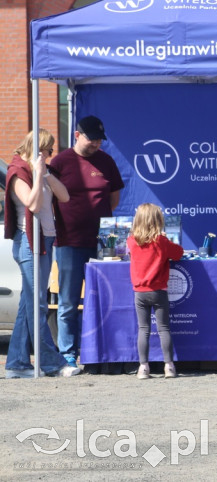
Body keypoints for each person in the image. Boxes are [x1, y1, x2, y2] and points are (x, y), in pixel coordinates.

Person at [49, 115, 125, 372]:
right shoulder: (60, 162)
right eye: (91, 139)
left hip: (104, 243)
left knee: (105, 300)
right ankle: (68, 354)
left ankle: (101, 352)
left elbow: (113, 199)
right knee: (68, 302)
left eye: (99, 140)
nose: (96, 144)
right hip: (69, 241)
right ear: (77, 135)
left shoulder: (106, 161)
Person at [3, 130, 75, 378]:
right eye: (48, 150)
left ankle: (16, 364)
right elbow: (32, 204)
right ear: (37, 148)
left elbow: (64, 196)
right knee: (37, 304)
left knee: (28, 304)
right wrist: (36, 174)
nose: (50, 155)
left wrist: (45, 174)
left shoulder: (43, 171)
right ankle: (51, 363)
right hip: (29, 241)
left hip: (45, 239)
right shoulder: (18, 172)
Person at [128, 203, 184, 379]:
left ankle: (143, 368)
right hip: (159, 291)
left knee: (143, 329)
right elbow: (179, 253)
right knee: (163, 328)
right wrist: (167, 240)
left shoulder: (132, 241)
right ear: (158, 220)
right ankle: (169, 367)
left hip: (140, 292)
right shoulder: (162, 241)